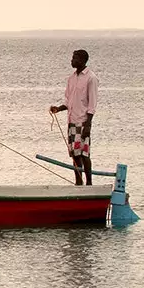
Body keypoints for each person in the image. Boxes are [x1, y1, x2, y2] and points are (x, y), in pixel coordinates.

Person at [49, 49, 98, 186]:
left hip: (83, 122)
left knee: (84, 154)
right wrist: (58, 109)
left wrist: (88, 125)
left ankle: (89, 184)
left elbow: (92, 104)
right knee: (75, 154)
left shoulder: (91, 78)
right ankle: (78, 183)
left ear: (82, 61)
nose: (72, 60)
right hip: (72, 122)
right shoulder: (71, 79)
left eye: (74, 58)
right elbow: (68, 101)